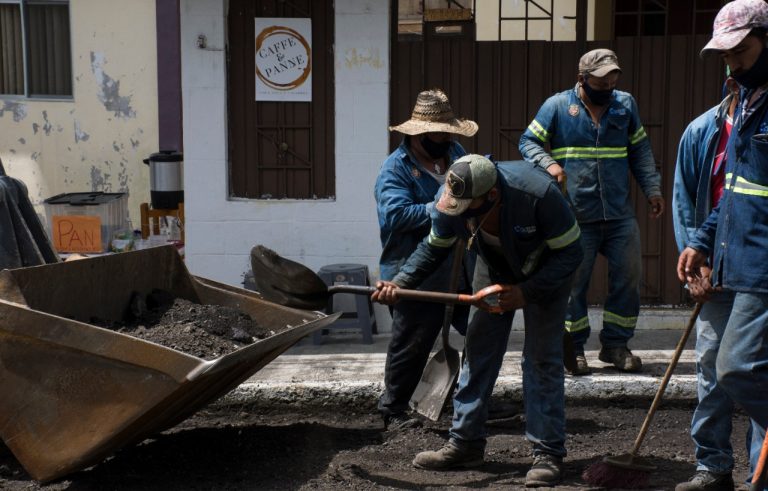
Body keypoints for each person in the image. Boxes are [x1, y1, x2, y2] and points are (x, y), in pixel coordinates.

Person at [373, 154, 583, 487]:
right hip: (494, 265)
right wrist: (400, 283)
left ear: (492, 196)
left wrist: (526, 292)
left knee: (541, 359)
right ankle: (465, 442)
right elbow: (433, 247)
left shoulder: (538, 196)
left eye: (466, 208)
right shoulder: (451, 201)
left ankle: (547, 452)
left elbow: (572, 253)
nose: (458, 213)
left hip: (547, 271)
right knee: (478, 349)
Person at [518, 48, 664, 375]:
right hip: (575, 215)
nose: (608, 86)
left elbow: (640, 150)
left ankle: (616, 345)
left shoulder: (625, 105)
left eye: (612, 80)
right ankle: (575, 350)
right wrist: (549, 164)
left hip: (619, 215)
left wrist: (652, 188)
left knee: (628, 277)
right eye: (601, 81)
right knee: (573, 286)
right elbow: (527, 142)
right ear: (582, 79)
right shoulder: (558, 106)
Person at [678, 0, 768, 487]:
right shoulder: (742, 110)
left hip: (761, 269)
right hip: (731, 262)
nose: (732, 65)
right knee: (720, 368)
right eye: (726, 56)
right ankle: (726, 470)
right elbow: (731, 194)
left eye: (741, 52)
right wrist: (701, 243)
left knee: (739, 368)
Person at [374, 88, 475, 430]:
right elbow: (395, 215)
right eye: (439, 134)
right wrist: (441, 208)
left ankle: (476, 399)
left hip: (460, 267)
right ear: (419, 134)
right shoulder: (395, 169)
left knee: (480, 333)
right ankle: (393, 409)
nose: (446, 139)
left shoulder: (455, 152)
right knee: (412, 344)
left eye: (449, 133)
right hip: (415, 271)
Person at [673, 78, 745, 491]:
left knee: (758, 370)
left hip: (759, 268)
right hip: (714, 270)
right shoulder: (701, 132)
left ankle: (760, 470)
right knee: (712, 367)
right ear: (733, 84)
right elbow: (685, 204)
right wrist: (694, 268)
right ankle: (714, 465)